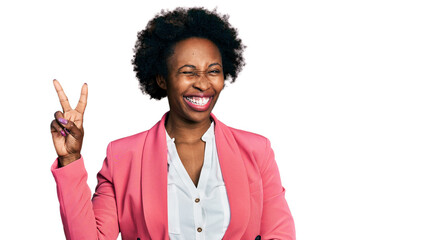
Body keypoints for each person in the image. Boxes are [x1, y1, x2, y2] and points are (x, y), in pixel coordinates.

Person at [50, 7, 295, 240]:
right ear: (162, 79)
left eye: (213, 71)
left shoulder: (256, 151)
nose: (202, 84)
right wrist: (70, 159)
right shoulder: (123, 156)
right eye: (189, 72)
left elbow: (279, 233)